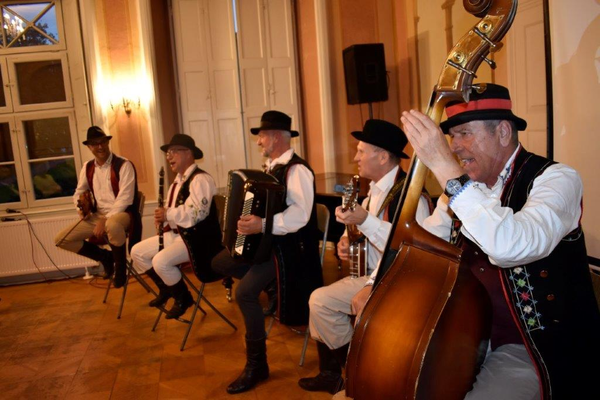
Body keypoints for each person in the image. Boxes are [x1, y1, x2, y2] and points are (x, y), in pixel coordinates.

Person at [400, 83, 600, 399]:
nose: (455, 147)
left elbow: (511, 246)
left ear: (504, 132)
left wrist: (443, 167)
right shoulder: (461, 192)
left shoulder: (557, 180)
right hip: (468, 338)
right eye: (451, 137)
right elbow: (420, 246)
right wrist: (374, 284)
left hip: (533, 348)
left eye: (464, 133)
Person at [298, 119, 431, 394]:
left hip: (398, 282)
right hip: (372, 276)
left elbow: (409, 249)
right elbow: (364, 232)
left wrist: (364, 220)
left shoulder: (412, 197)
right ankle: (339, 372)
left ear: (382, 157)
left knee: (320, 301)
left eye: (361, 151)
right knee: (319, 302)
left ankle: (354, 372)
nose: (355, 158)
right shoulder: (373, 192)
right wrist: (347, 239)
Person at [211, 110, 323, 394]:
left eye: (261, 136)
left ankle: (257, 365)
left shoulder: (297, 170)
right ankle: (272, 287)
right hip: (270, 245)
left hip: (290, 252)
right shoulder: (272, 169)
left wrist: (261, 224)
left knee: (245, 294)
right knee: (221, 261)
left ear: (275, 137)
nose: (259, 142)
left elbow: (300, 216)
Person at [130, 134, 222, 319]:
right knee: (136, 252)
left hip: (197, 239)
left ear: (188, 153)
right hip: (178, 235)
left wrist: (168, 214)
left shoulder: (200, 180)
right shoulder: (177, 182)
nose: (169, 156)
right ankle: (167, 290)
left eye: (173, 152)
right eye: (168, 153)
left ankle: (183, 298)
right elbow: (173, 212)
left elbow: (196, 214)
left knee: (160, 261)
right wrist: (163, 220)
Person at [55, 126, 141, 288]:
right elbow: (79, 192)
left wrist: (105, 219)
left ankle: (120, 269)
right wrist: (82, 210)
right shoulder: (87, 167)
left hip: (123, 214)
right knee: (61, 239)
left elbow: (125, 198)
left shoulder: (124, 165)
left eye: (102, 142)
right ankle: (105, 257)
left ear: (107, 143)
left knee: (112, 224)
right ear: (89, 147)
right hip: (97, 216)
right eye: (95, 144)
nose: (100, 146)